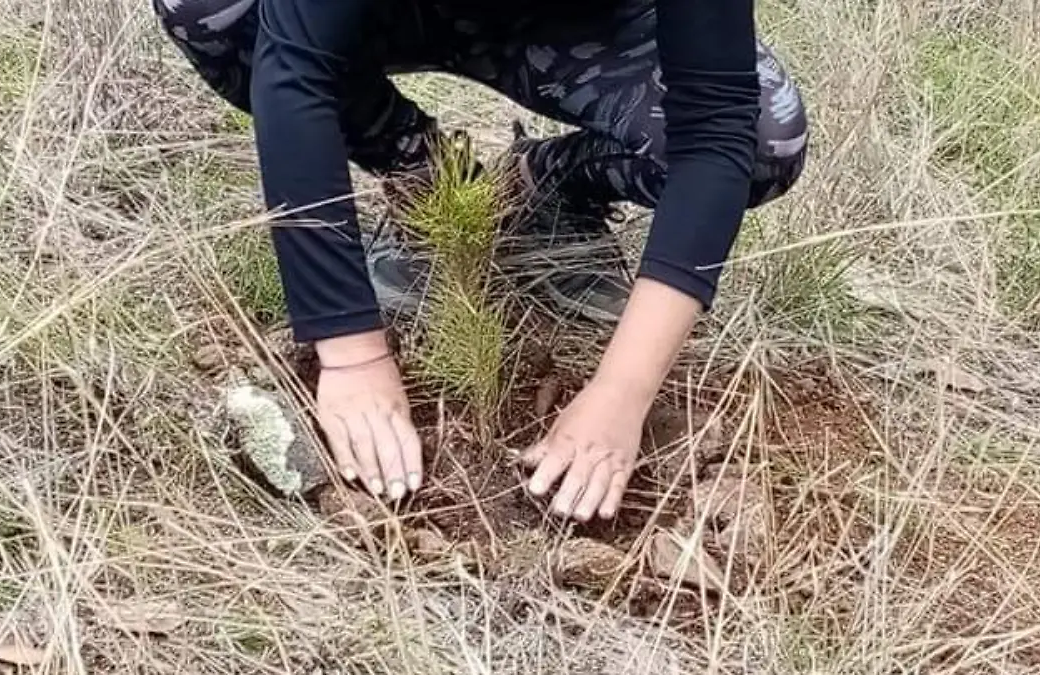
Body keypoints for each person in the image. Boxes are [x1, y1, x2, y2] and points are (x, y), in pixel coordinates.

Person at [152, 0, 809, 522]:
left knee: (766, 140)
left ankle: (545, 188)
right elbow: (296, 64)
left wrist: (622, 390)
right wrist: (352, 354)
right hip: (389, 11)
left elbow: (717, 121)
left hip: (584, 22)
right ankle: (426, 171)